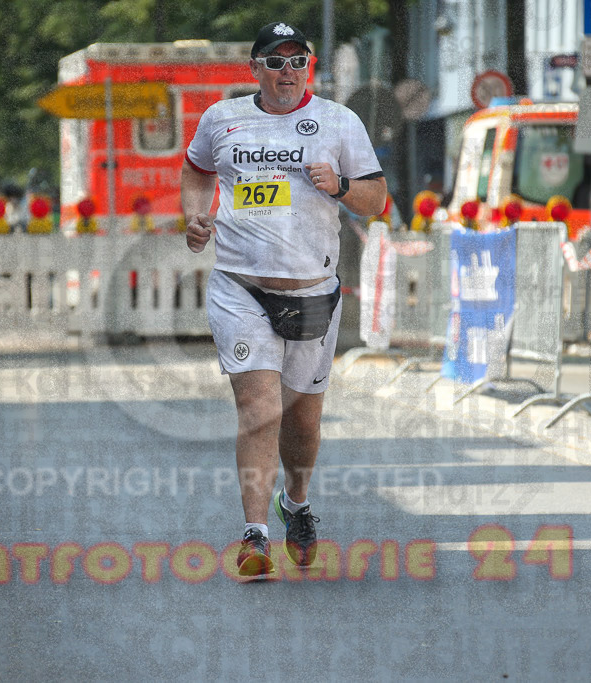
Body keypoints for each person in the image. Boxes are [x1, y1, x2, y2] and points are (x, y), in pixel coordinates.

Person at [181, 21, 387, 576]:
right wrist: (195, 217)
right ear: (256, 69)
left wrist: (340, 186)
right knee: (260, 409)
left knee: (302, 425)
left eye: (299, 61)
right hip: (240, 287)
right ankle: (254, 535)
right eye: (277, 61)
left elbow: (377, 199)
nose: (288, 71)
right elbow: (197, 172)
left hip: (314, 294)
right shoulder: (222, 120)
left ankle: (295, 504)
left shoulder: (340, 123)